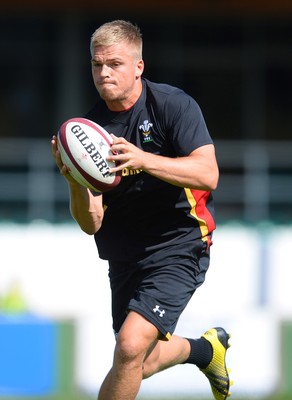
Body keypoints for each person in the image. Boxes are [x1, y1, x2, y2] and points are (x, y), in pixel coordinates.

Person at [51, 19, 232, 400]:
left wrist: (144, 159)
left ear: (138, 67)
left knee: (130, 347)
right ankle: (204, 350)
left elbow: (208, 174)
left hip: (180, 243)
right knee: (138, 361)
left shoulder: (172, 105)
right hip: (125, 255)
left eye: (114, 64)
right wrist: (74, 180)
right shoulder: (90, 130)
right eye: (96, 65)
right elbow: (91, 223)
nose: (103, 73)